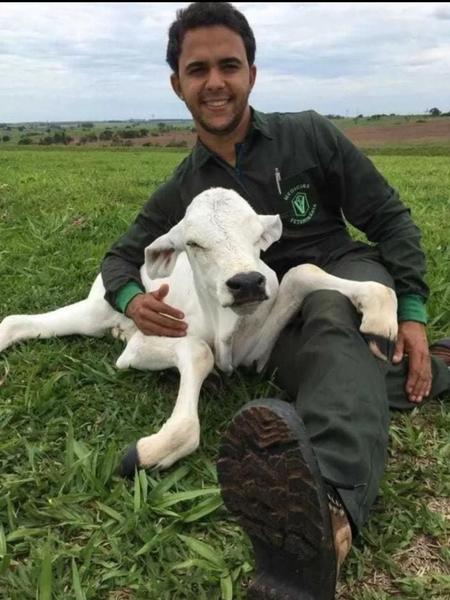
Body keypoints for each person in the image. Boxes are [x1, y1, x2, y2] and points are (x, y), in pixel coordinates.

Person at [101, 3, 450, 598]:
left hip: (341, 273)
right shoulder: (185, 188)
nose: (215, 82)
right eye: (198, 69)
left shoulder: (307, 133)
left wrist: (411, 311)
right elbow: (120, 257)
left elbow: (390, 219)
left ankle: (329, 510)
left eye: (229, 65)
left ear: (252, 74)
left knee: (330, 316)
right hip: (267, 322)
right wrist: (133, 300)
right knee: (333, 365)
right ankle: (440, 368)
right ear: (177, 84)